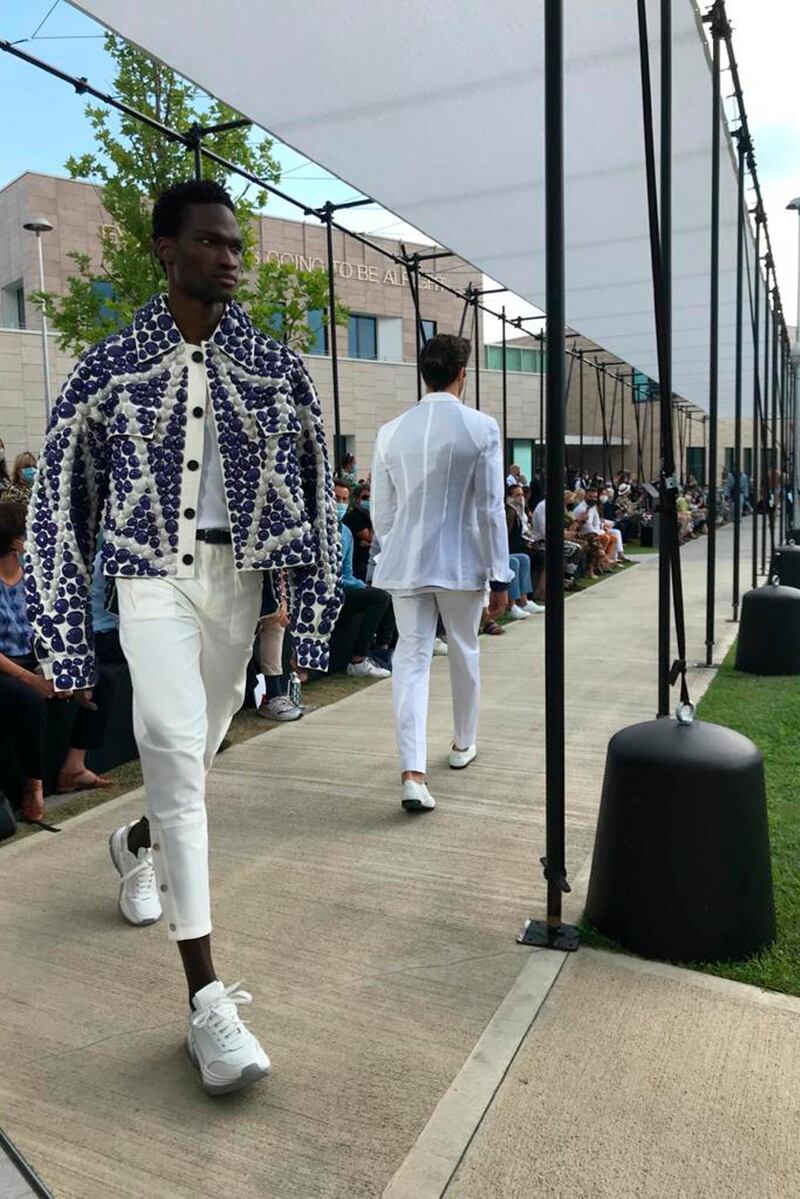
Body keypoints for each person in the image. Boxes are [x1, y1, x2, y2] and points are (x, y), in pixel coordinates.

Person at [24, 179, 341, 1096]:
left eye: (237, 244)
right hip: (147, 574)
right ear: (167, 250)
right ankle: (209, 1003)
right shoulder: (110, 365)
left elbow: (317, 491)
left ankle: (135, 840)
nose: (232, 257)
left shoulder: (278, 368)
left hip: (237, 581)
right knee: (167, 741)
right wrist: (64, 634)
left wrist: (307, 605)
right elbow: (58, 495)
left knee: (191, 762)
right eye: (212, 243)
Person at [371, 334, 511, 813]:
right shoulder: (481, 427)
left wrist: (398, 548)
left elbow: (382, 513)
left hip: (406, 561)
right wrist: (501, 574)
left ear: (424, 373)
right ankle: (462, 742)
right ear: (462, 374)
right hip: (460, 560)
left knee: (409, 661)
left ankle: (412, 770)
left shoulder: (390, 431)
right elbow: (491, 508)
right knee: (463, 649)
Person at [0, 504, 113, 821]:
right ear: (15, 543)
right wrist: (32, 679)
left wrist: (57, 669)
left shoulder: (33, 578)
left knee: (101, 681)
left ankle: (72, 768)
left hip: (30, 658)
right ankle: (32, 786)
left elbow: (51, 629)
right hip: (6, 667)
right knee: (29, 702)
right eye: (28, 533)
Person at [332, 479, 393, 678]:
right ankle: (358, 659)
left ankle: (382, 652)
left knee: (386, 594)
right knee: (379, 597)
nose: (340, 503)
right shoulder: (316, 529)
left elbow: (347, 572)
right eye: (336, 498)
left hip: (344, 586)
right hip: (326, 589)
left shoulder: (346, 533)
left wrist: (361, 586)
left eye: (343, 499)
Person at [343, 481, 374, 582]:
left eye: (371, 497)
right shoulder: (355, 516)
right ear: (356, 499)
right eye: (365, 498)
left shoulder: (366, 515)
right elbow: (370, 537)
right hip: (356, 566)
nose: (368, 500)